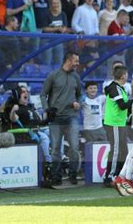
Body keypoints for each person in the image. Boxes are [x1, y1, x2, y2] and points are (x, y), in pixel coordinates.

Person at [41, 51, 82, 186]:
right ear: (68, 60)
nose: (78, 63)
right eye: (76, 61)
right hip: (56, 117)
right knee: (56, 148)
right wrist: (47, 109)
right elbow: (43, 94)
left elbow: (80, 95)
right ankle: (56, 177)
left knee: (75, 147)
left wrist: (78, 103)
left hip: (72, 117)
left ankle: (72, 175)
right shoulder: (53, 75)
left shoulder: (76, 77)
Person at [103, 65, 133, 186]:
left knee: (122, 150)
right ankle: (109, 177)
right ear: (122, 76)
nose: (127, 77)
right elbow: (122, 105)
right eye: (126, 75)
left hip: (120, 123)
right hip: (113, 123)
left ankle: (118, 175)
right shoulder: (114, 88)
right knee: (115, 150)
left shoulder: (119, 88)